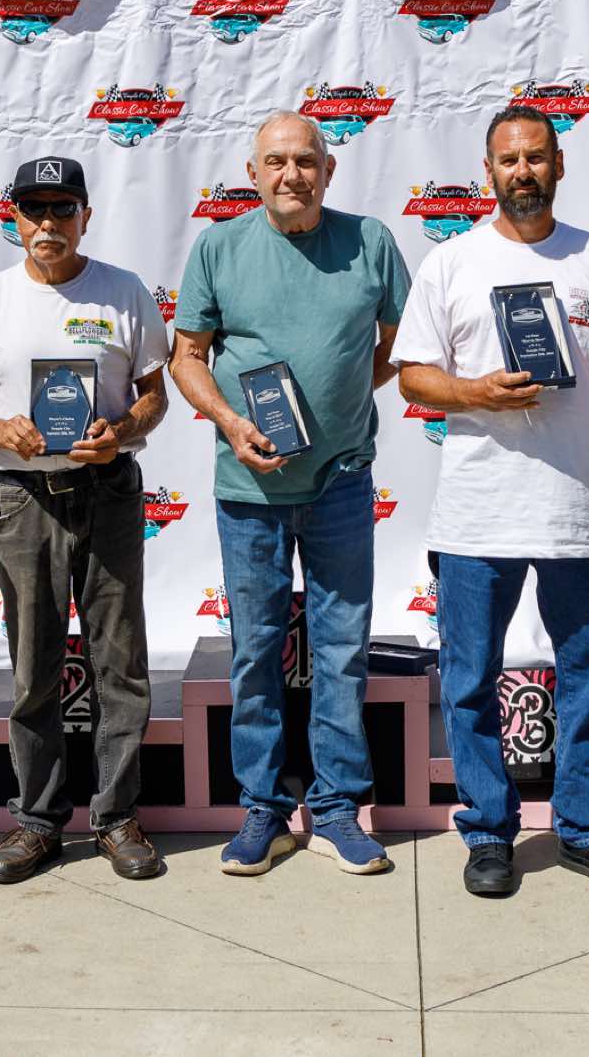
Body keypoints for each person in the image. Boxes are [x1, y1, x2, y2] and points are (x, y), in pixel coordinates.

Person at [393, 104, 589, 898]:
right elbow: (412, 375)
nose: (523, 172)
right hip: (478, 510)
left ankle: (587, 830)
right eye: (508, 160)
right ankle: (488, 831)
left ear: (559, 163)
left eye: (536, 157)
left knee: (588, 673)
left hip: (578, 508)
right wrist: (476, 393)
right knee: (470, 677)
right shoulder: (452, 263)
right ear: (489, 171)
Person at [169, 110, 410, 876]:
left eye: (306, 160)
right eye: (275, 161)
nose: (291, 174)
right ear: (253, 173)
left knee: (341, 650)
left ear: (328, 171)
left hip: (341, 482)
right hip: (249, 487)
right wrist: (232, 422)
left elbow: (400, 344)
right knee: (255, 653)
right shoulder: (218, 247)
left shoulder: (370, 241)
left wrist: (346, 396)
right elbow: (186, 357)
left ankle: (337, 809)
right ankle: (264, 810)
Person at [0, 156, 171, 885]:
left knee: (119, 660)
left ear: (85, 217)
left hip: (107, 489)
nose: (48, 223)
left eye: (62, 208)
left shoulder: (125, 291)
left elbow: (156, 396)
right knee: (34, 665)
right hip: (23, 497)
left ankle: (116, 817)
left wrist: (122, 428)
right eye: (33, 209)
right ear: (13, 219)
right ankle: (37, 820)